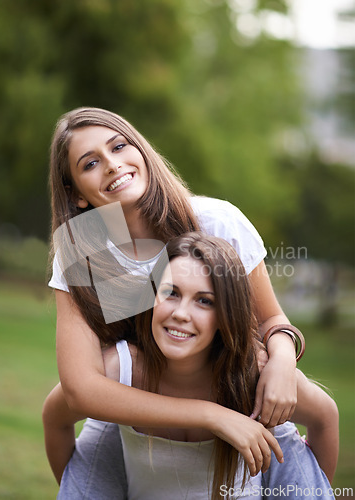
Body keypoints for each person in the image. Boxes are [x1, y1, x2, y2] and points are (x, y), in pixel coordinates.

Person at [45, 107, 338, 498]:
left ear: (142, 151)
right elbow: (81, 389)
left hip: (233, 386)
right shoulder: (86, 251)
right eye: (91, 163)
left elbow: (272, 321)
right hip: (133, 409)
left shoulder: (214, 221)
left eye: (119, 146)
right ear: (76, 194)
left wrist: (283, 362)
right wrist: (210, 415)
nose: (113, 165)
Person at [43, 233, 337, 499]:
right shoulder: (119, 370)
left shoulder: (254, 374)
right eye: (171, 293)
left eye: (204, 301)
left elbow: (324, 416)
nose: (181, 314)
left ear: (225, 316)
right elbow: (55, 419)